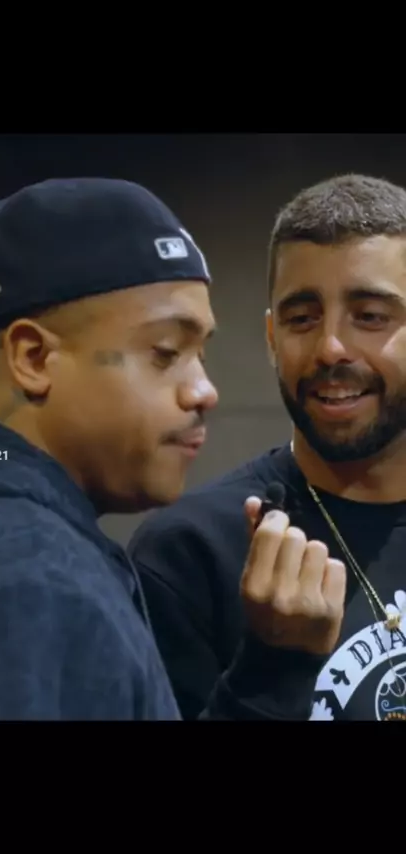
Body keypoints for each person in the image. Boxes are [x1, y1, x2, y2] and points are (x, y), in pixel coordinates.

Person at [0, 177, 345, 720]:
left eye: (199, 355)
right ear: (32, 358)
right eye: (165, 352)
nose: (205, 391)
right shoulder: (21, 582)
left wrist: (273, 673)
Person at [128, 173, 406, 722]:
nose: (330, 347)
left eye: (371, 317)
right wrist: (271, 668)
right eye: (301, 319)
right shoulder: (188, 554)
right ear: (272, 337)